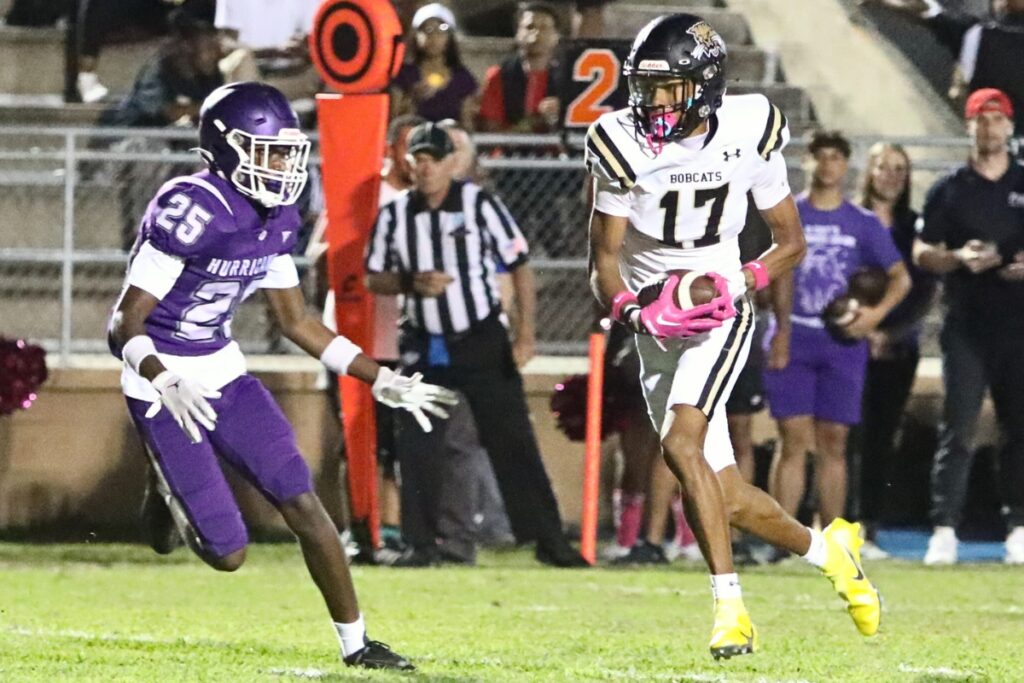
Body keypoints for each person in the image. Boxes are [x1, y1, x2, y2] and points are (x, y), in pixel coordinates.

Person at [107, 82, 459, 670]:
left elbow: (296, 320)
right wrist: (164, 380)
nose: (281, 164)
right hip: (159, 375)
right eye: (266, 150)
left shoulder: (277, 215)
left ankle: (358, 645)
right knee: (229, 554)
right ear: (224, 149)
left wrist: (380, 378)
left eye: (286, 151)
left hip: (222, 368)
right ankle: (163, 489)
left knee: (302, 500)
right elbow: (124, 323)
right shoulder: (190, 207)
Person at [585, 13, 882, 659]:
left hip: (720, 305)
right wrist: (637, 312)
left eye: (669, 89)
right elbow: (602, 261)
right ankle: (832, 553)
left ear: (706, 86)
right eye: (645, 87)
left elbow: (790, 242)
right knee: (728, 496)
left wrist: (740, 281)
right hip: (655, 319)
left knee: (680, 444)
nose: (651, 104)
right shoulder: (617, 140)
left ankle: (730, 609)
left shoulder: (749, 128)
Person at [366, 122, 586, 568]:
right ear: (409, 164)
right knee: (418, 446)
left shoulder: (479, 204)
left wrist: (525, 333)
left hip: (481, 338)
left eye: (433, 159)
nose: (425, 168)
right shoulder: (394, 215)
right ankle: (422, 545)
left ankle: (549, 542)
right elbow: (373, 276)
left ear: (451, 163)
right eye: (418, 159)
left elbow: (519, 265)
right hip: (424, 343)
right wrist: (410, 282)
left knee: (514, 441)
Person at [764, 131, 911, 531]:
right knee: (792, 440)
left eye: (836, 157)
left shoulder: (861, 223)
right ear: (808, 162)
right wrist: (778, 330)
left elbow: (900, 278)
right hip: (793, 334)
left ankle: (832, 539)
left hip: (841, 342)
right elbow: (774, 274)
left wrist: (873, 316)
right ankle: (783, 537)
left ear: (846, 166)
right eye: (820, 156)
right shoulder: (789, 214)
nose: (827, 165)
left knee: (834, 442)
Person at [913, 87, 1024, 565]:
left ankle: (1018, 523)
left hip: (1018, 322)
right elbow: (921, 252)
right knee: (957, 428)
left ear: (1010, 126)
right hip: (966, 322)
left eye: (997, 119)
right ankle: (944, 527)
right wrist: (958, 257)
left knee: (1018, 428)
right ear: (970, 125)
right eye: (982, 118)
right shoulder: (950, 187)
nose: (990, 127)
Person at [852, 142, 937, 558]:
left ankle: (868, 526)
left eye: (899, 169)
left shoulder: (913, 227)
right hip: (847, 343)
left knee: (881, 436)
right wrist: (858, 329)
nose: (891, 175)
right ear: (869, 171)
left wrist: (890, 332)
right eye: (884, 167)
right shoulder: (850, 219)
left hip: (897, 348)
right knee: (839, 436)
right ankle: (830, 521)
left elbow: (924, 291)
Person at [865, 0, 1024, 132]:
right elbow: (927, 10)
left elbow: (927, 11)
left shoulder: (975, 33)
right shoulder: (975, 34)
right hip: (988, 145)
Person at [478, 2, 563, 133]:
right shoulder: (499, 75)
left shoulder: (567, 78)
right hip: (508, 153)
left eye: (544, 27)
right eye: (530, 27)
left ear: (556, 36)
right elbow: (491, 132)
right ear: (518, 34)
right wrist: (536, 120)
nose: (536, 33)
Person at [391, 4, 479, 129]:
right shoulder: (403, 75)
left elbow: (467, 124)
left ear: (450, 37)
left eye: (442, 30)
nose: (434, 37)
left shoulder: (463, 79)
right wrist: (412, 98)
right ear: (416, 36)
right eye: (427, 30)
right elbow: (394, 122)